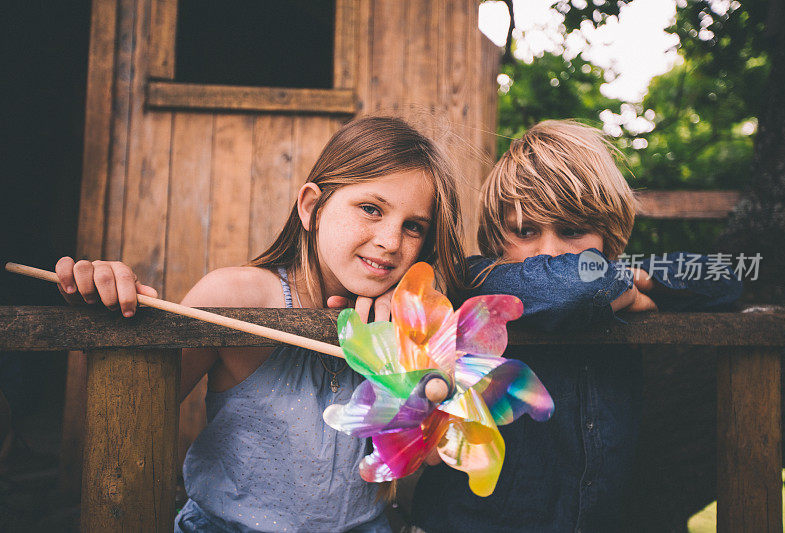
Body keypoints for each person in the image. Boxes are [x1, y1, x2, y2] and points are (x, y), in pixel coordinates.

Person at [54, 116, 467, 533]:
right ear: (312, 207)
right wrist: (113, 317)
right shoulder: (235, 297)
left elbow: (434, 453)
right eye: (371, 209)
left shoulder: (409, 325)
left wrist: (417, 353)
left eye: (413, 226)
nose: (391, 241)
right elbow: (131, 408)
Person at [411, 120, 742, 532]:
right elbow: (575, 289)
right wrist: (622, 286)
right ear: (497, 238)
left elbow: (726, 280)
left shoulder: (606, 280)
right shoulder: (480, 278)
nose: (548, 251)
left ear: (609, 233)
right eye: (526, 231)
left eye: (571, 231)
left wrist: (632, 281)